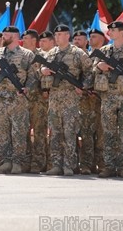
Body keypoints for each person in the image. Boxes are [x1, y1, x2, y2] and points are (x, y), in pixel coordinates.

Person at [91, 21, 123, 178]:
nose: (110, 33)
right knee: (108, 133)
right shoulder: (104, 51)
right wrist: (100, 66)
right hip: (108, 97)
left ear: (121, 32)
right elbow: (92, 70)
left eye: (113, 30)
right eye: (109, 30)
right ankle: (109, 166)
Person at [38, 24, 92, 176]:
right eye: (56, 35)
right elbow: (40, 69)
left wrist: (83, 86)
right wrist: (43, 70)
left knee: (69, 132)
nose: (58, 37)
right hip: (54, 98)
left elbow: (89, 72)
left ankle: (69, 165)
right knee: (55, 132)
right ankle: (56, 164)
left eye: (61, 35)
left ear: (68, 36)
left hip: (70, 97)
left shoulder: (77, 53)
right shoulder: (51, 53)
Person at [0, 26, 35, 174]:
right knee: (2, 131)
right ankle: (5, 161)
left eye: (6, 35)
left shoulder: (27, 54)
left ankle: (18, 162)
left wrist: (27, 88)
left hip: (18, 99)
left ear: (14, 36)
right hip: (0, 98)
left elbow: (34, 76)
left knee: (18, 132)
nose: (3, 37)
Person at [79, 28, 106, 174]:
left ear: (102, 39)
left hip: (102, 100)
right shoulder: (85, 56)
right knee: (86, 133)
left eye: (94, 37)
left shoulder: (107, 54)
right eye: (90, 37)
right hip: (86, 101)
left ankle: (102, 164)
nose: (90, 39)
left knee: (102, 134)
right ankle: (86, 165)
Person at [22, 28, 48, 173]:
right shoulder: (22, 56)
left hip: (39, 100)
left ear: (33, 40)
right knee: (23, 131)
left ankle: (39, 162)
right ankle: (26, 161)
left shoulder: (43, 56)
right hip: (23, 100)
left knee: (39, 132)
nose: (23, 41)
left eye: (26, 38)